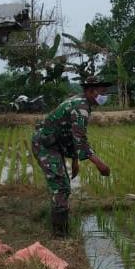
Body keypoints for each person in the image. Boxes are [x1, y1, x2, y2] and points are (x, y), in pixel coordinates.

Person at [31, 77, 112, 236]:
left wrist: (75, 160)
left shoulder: (83, 103)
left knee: (63, 184)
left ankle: (62, 227)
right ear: (90, 91)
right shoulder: (80, 107)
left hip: (55, 144)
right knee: (61, 186)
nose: (104, 96)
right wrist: (100, 164)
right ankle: (60, 235)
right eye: (102, 92)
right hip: (45, 145)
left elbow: (71, 135)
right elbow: (80, 140)